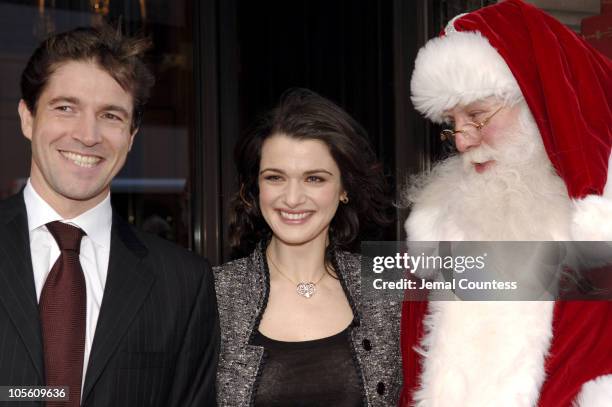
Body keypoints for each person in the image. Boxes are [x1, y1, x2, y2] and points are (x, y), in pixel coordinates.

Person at [400, 0, 612, 406]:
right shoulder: (435, 235)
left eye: (477, 116)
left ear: (534, 108)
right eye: (453, 125)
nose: (462, 141)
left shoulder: (592, 239)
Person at [0, 25, 219, 406]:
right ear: (27, 117)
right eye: (66, 107)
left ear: (132, 137)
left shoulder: (184, 283)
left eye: (111, 116)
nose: (88, 135)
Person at [214, 88, 402, 406]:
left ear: (344, 188)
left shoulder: (385, 275)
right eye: (275, 177)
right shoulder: (213, 291)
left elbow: (512, 271)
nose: (292, 198)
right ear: (255, 187)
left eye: (314, 179)